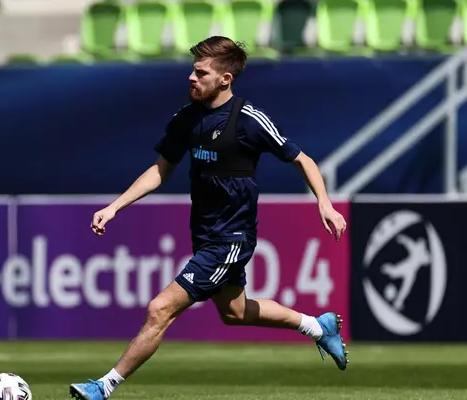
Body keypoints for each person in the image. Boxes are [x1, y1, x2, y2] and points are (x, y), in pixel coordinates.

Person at [69, 36, 349, 400]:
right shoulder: (186, 118)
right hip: (204, 234)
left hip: (231, 238)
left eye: (201, 72)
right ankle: (318, 327)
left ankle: (103, 386)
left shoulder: (248, 120)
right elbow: (161, 169)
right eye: (193, 70)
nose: (191, 77)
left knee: (160, 309)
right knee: (235, 312)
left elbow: (302, 159)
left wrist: (324, 203)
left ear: (225, 79)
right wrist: (115, 207)